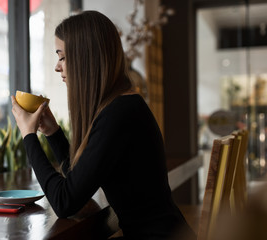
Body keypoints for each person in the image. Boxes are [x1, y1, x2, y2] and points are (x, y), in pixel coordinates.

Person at [11, 10, 195, 240]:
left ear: (84, 58)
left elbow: (64, 202)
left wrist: (28, 135)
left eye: (62, 56)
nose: (58, 67)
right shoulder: (123, 106)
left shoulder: (119, 114)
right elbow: (77, 180)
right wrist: (52, 132)